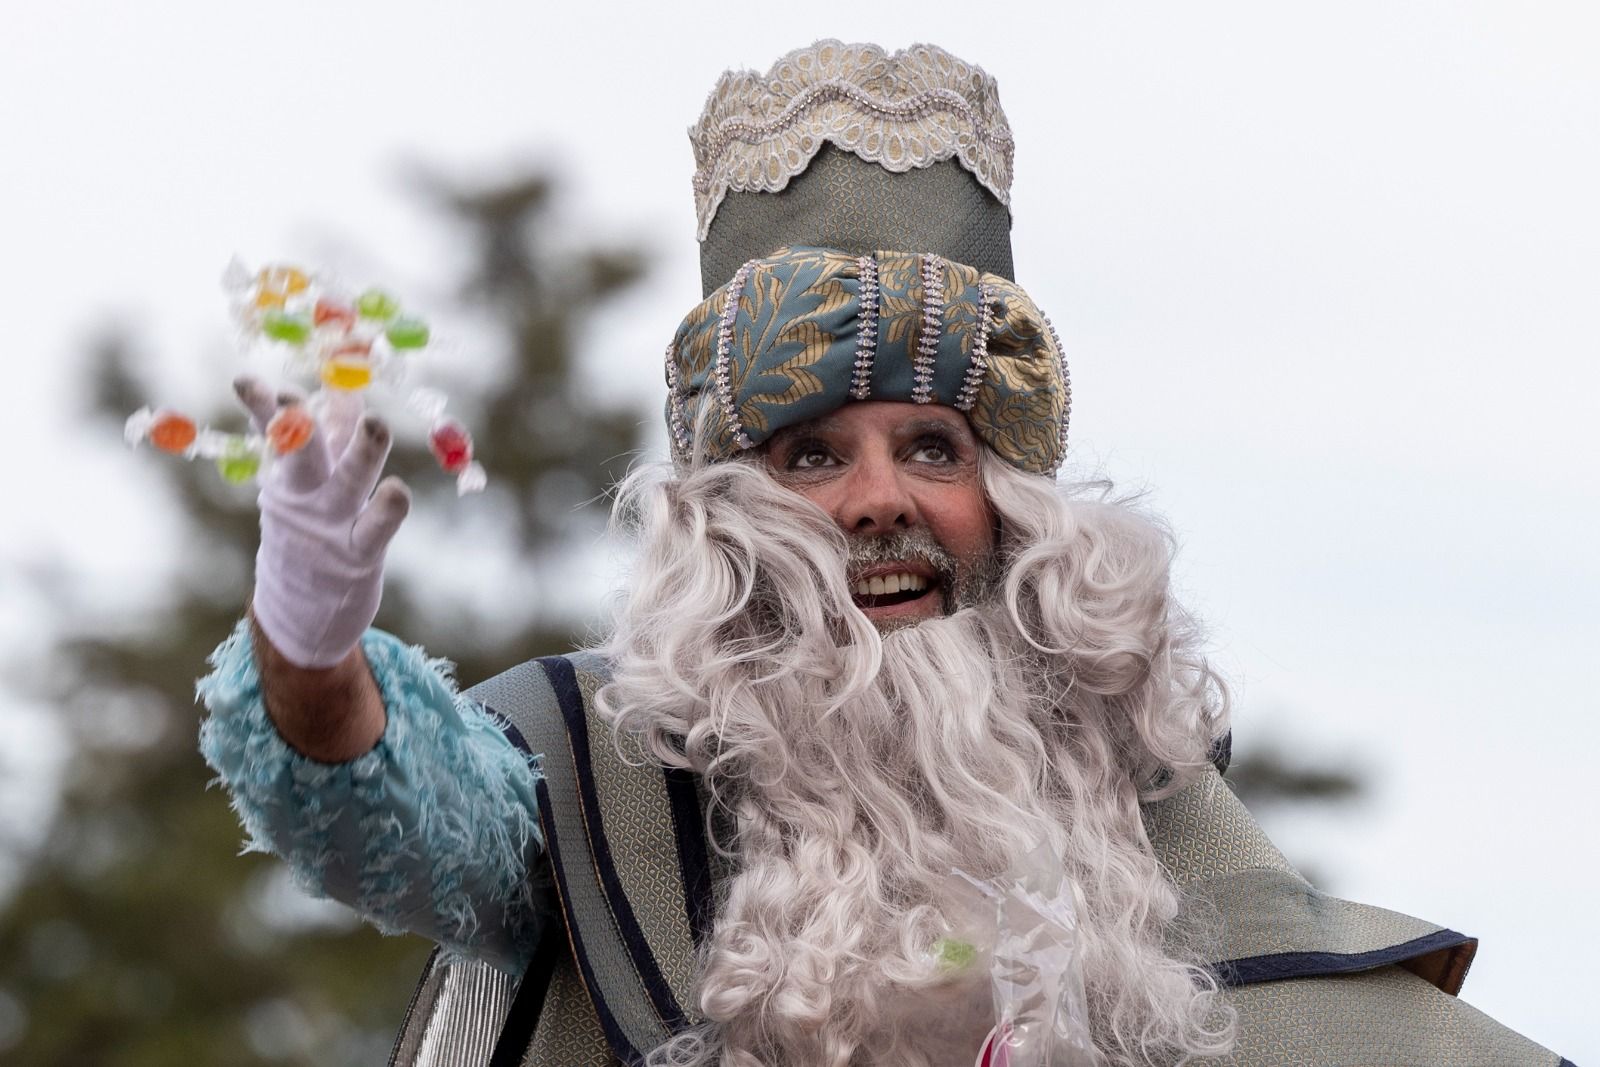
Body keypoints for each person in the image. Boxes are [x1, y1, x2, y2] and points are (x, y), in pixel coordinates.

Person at [197, 41, 1576, 1067]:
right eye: (811, 456)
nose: (877, 502)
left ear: (1016, 510)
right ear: (725, 519)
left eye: (933, 449)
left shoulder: (1130, 797)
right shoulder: (602, 771)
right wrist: (310, 648)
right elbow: (382, 814)